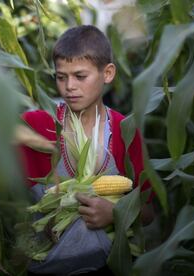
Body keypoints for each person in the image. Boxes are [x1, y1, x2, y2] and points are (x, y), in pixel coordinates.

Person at [17, 25, 154, 275]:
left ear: (108, 73)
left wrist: (116, 213)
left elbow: (148, 212)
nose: (69, 86)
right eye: (61, 77)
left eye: (80, 76)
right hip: (44, 268)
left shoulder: (126, 133)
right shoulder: (38, 125)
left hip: (105, 268)